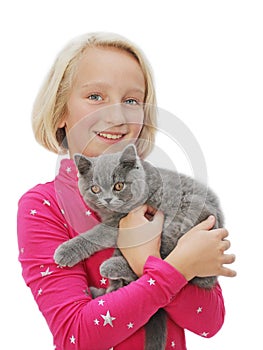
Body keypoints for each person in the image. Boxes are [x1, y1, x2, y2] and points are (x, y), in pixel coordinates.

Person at [17, 32, 236, 350]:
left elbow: (209, 322)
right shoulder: (45, 206)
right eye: (95, 96)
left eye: (132, 100)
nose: (117, 116)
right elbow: (75, 337)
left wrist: (148, 261)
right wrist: (173, 267)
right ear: (61, 111)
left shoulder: (167, 193)